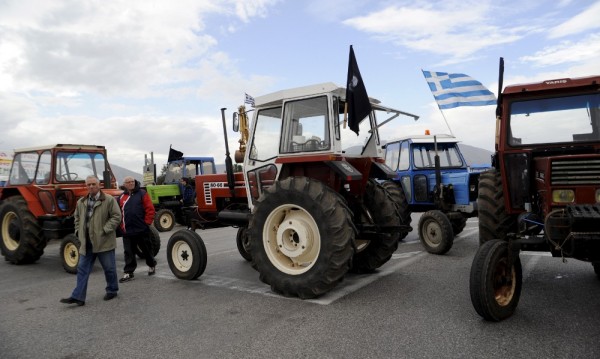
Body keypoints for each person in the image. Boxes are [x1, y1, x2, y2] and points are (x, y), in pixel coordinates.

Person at [60, 175, 121, 306]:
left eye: (93, 184)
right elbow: (76, 218)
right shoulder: (81, 202)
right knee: (82, 269)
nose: (91, 187)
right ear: (86, 186)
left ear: (99, 185)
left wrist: (104, 230)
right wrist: (78, 231)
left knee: (109, 268)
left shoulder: (108, 200)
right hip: (86, 242)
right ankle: (78, 297)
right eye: (89, 185)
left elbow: (116, 217)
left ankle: (112, 290)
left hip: (103, 241)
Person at [118, 176, 157, 282]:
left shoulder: (142, 193)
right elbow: (118, 213)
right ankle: (129, 272)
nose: (131, 183)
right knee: (128, 252)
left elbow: (150, 209)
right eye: (128, 182)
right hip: (127, 231)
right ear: (124, 184)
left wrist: (147, 223)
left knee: (147, 250)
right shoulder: (121, 197)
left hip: (141, 229)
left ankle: (151, 265)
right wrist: (121, 226)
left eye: (132, 181)